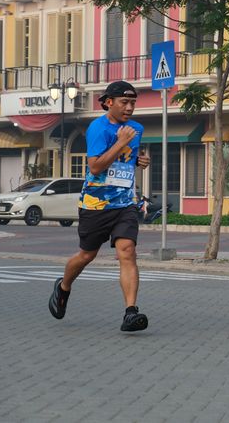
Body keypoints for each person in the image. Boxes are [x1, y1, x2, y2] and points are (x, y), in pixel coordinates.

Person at [48, 81, 151, 332]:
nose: (129, 108)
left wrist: (137, 160)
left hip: (125, 202)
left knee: (127, 251)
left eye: (133, 103)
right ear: (109, 102)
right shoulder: (98, 128)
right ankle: (63, 287)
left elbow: (122, 160)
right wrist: (121, 142)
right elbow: (95, 167)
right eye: (124, 102)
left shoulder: (136, 129)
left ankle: (130, 312)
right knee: (87, 255)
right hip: (96, 204)